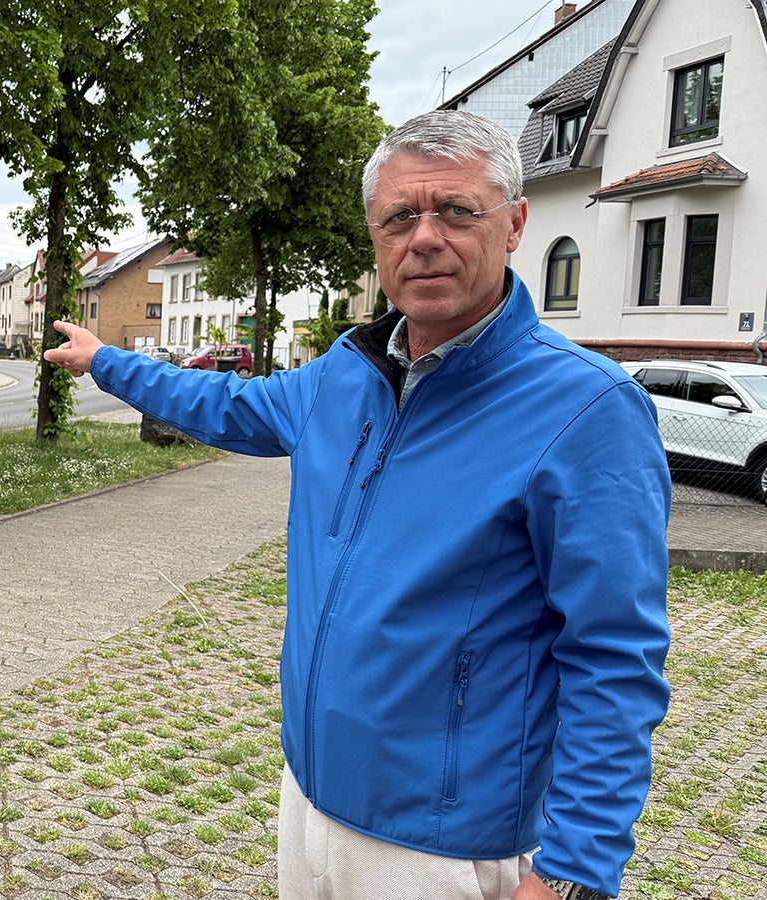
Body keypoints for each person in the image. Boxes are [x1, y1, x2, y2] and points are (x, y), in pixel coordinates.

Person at [44, 110, 670, 900]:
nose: (425, 237)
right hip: (309, 796)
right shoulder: (348, 372)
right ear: (376, 238)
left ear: (513, 225)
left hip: (440, 844)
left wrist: (575, 870)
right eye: (401, 216)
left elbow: (615, 658)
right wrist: (109, 363)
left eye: (456, 211)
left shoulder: (587, 411)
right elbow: (230, 405)